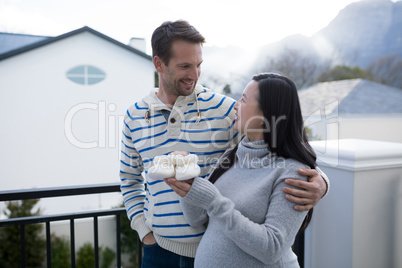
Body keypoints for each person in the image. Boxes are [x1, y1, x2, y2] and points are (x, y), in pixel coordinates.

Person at [119, 20, 329, 268]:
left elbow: (282, 144)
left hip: (219, 246)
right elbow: (129, 179)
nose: (195, 75)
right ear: (159, 64)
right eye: (185, 66)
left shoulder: (227, 110)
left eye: (198, 65)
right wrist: (145, 232)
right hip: (158, 251)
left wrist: (321, 181)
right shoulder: (134, 115)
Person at [165, 73, 317, 267]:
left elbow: (272, 248)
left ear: (266, 115)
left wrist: (215, 202)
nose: (236, 105)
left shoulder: (293, 172)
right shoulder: (233, 155)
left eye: (243, 100)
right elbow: (196, 218)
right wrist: (186, 181)